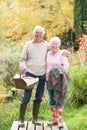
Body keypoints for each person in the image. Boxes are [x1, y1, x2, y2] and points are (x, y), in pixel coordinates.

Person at [19, 25, 49, 127]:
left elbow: (55, 51)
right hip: (30, 74)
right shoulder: (28, 45)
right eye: (37, 32)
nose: (38, 35)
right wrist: (25, 68)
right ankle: (21, 120)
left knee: (38, 97)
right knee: (26, 97)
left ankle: (34, 119)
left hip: (42, 75)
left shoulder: (47, 45)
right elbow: (22, 60)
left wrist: (63, 52)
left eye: (40, 33)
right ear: (33, 33)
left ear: (43, 34)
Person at [46, 36, 70, 128]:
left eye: (56, 44)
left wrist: (59, 72)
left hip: (59, 80)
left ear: (59, 45)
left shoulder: (62, 54)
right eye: (52, 43)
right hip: (49, 80)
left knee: (59, 99)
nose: (54, 45)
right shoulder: (48, 53)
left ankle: (60, 120)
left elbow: (66, 66)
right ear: (50, 44)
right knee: (52, 99)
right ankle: (54, 119)